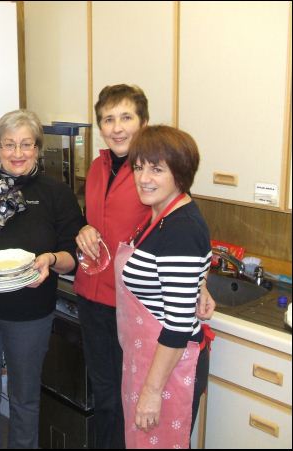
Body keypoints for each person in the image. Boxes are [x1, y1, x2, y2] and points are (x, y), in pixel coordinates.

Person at [73, 84, 215, 448]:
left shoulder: (170, 208)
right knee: (110, 400)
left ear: (143, 123)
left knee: (139, 417)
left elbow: (184, 253)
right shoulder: (102, 171)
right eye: (108, 119)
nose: (116, 127)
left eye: (126, 117)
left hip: (144, 324)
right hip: (102, 306)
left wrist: (197, 284)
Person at [0, 109, 85, 448]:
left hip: (31, 314)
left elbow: (72, 257)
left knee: (25, 399)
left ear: (37, 148)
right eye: (9, 144)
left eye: (26, 144)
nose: (18, 153)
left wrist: (53, 259)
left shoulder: (56, 193)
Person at [117, 125, 212, 448]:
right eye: (139, 167)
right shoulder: (162, 214)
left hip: (169, 369)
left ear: (180, 174)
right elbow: (179, 271)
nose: (144, 178)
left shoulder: (180, 228)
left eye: (157, 169)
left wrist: (151, 392)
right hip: (148, 358)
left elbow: (179, 323)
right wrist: (199, 284)